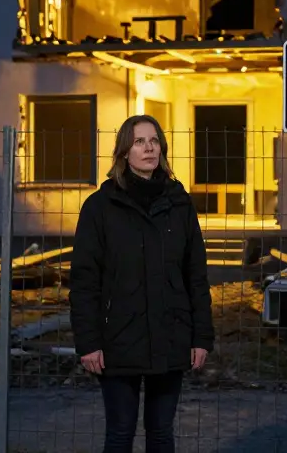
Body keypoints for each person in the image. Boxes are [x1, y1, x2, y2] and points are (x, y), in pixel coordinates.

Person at [69, 114, 214, 453]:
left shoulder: (180, 203)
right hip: (118, 338)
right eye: (139, 142)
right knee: (120, 432)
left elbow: (196, 275)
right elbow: (84, 281)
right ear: (124, 152)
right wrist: (88, 342)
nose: (148, 148)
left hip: (170, 334)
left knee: (161, 433)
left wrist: (201, 337)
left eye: (154, 140)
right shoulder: (100, 207)